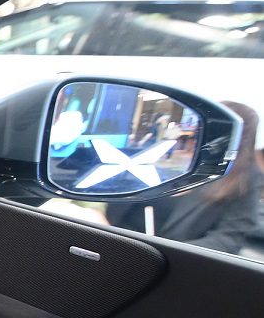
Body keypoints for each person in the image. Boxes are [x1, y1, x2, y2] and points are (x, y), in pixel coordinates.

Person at [108, 102, 262, 255]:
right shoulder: (174, 155)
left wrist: (165, 252)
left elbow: (230, 238)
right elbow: (121, 193)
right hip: (117, 240)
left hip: (169, 258)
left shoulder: (245, 177)